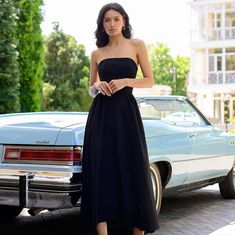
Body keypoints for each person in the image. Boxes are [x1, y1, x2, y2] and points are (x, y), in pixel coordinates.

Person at [80, 2, 159, 235]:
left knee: (134, 168)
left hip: (126, 115)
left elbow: (149, 80)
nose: (111, 24)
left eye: (116, 19)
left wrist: (126, 81)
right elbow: (90, 88)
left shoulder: (137, 45)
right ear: (101, 24)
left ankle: (138, 230)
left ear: (124, 21)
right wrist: (96, 85)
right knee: (101, 171)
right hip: (101, 116)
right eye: (107, 20)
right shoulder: (97, 53)